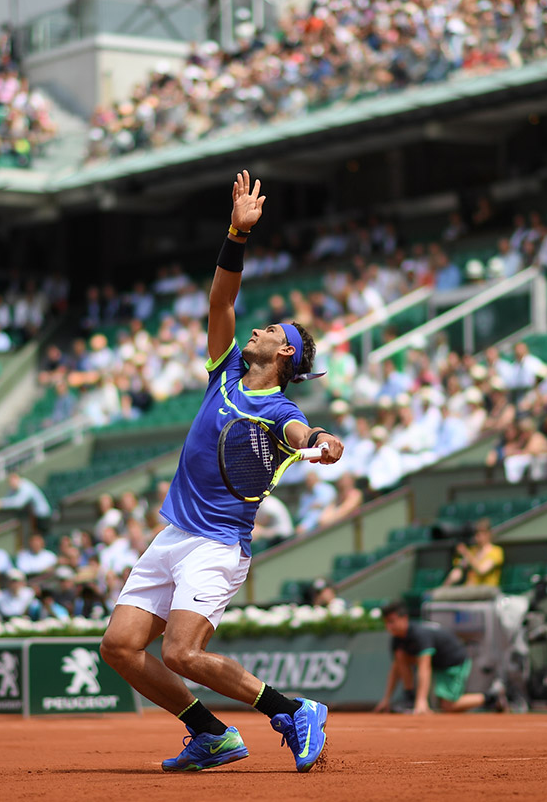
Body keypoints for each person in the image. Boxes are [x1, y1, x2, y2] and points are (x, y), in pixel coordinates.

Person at [99, 171, 343, 774]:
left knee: (181, 652)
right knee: (121, 648)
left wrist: (320, 440)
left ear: (283, 352)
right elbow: (221, 299)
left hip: (216, 545)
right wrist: (237, 231)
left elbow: (298, 434)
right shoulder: (226, 371)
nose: (257, 328)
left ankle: (293, 711)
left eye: (270, 331)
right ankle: (209, 733)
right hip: (173, 535)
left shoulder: (281, 408)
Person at [373, 601, 491, 715]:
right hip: (438, 663)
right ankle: (409, 698)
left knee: (448, 706)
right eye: (386, 623)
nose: (389, 626)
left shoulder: (420, 634)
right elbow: (396, 668)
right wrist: (386, 699)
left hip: (454, 662)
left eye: (392, 621)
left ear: (404, 618)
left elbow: (425, 666)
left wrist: (421, 701)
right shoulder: (397, 638)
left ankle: (491, 698)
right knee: (400, 656)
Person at [443, 519, 503, 587]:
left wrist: (466, 553)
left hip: (487, 592)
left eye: (481, 533)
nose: (477, 537)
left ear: (488, 534)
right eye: (476, 533)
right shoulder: (472, 551)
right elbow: (458, 570)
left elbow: (482, 570)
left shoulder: (496, 551)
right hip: (469, 591)